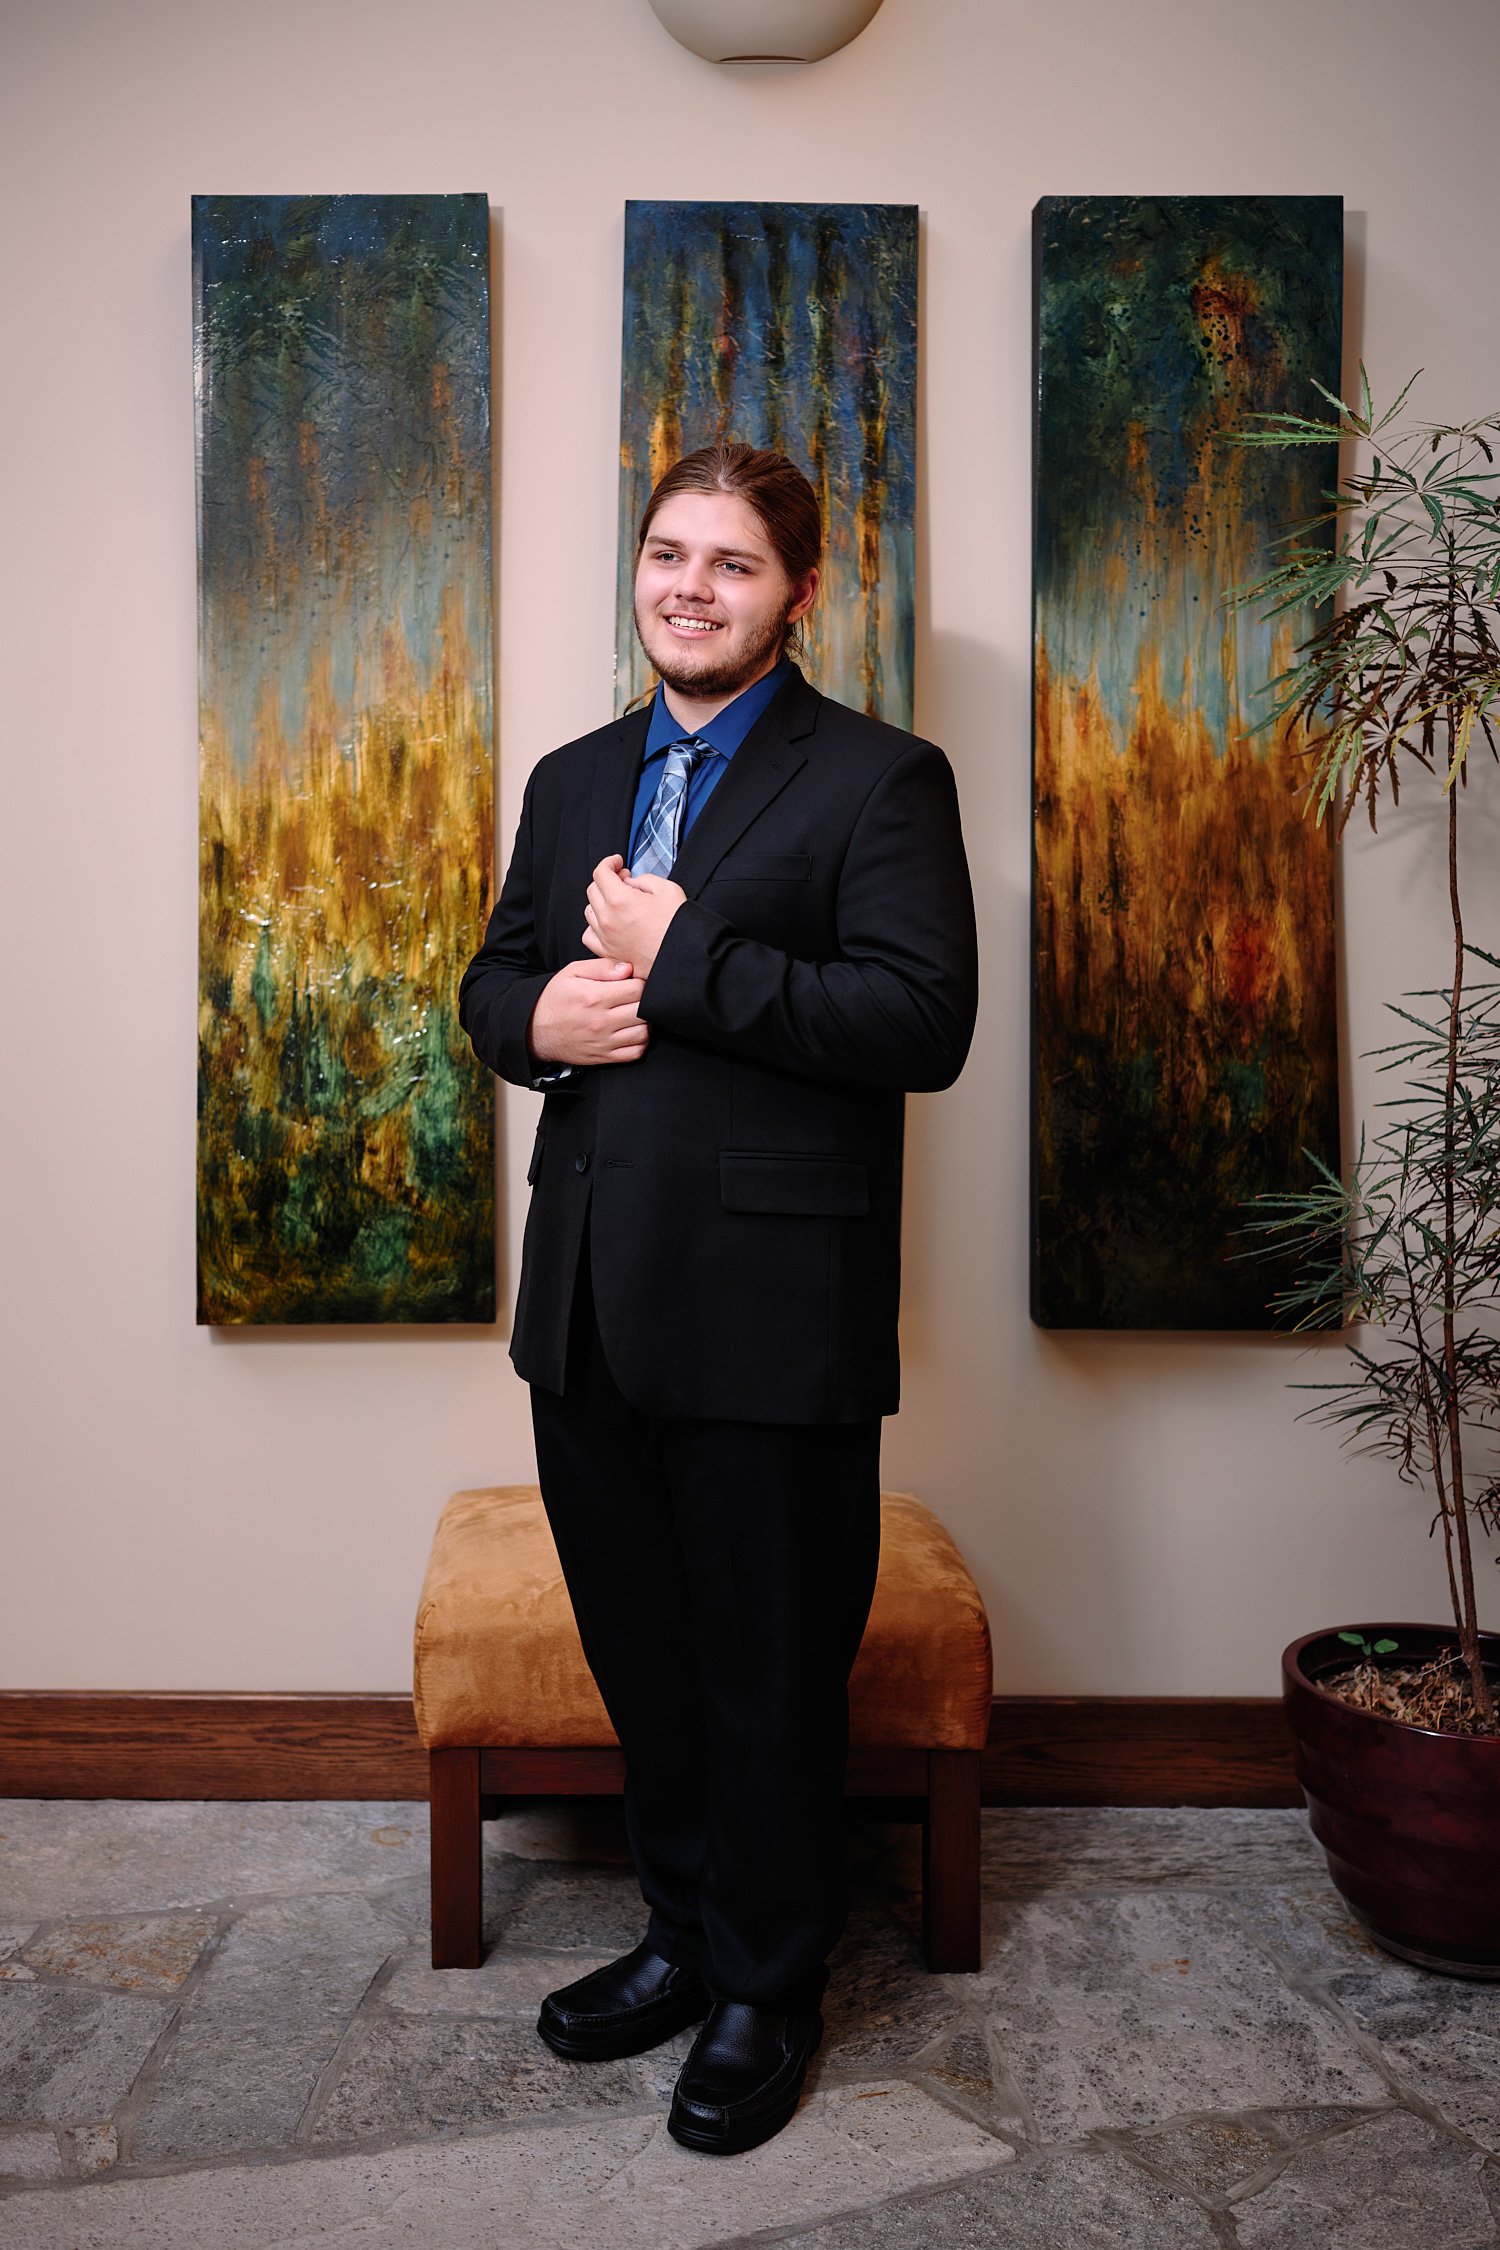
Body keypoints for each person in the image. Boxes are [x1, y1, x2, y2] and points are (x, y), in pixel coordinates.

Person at [458, 442, 977, 2155]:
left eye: (731, 563)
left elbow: (921, 1023)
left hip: (773, 1316)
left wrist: (690, 962)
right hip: (590, 1302)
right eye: (667, 552)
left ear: (798, 593)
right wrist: (533, 1023)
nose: (689, 585)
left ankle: (771, 1978)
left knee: (768, 1667)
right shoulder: (574, 772)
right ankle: (681, 1934)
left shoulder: (882, 779)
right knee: (647, 1658)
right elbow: (497, 971)